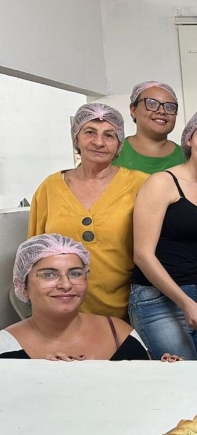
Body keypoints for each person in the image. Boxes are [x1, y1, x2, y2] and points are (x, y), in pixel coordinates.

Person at [129, 105, 197, 361]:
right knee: (182, 382)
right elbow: (142, 255)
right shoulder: (162, 183)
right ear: (189, 138)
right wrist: (184, 302)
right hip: (155, 299)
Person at [29, 103, 147, 319]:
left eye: (109, 135)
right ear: (76, 138)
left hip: (129, 310)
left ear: (119, 143)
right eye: (90, 132)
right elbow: (34, 255)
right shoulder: (50, 187)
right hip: (63, 311)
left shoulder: (141, 184)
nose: (99, 142)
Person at [2, 234, 180, 362]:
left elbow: (145, 393)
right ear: (22, 286)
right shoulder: (6, 347)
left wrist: (165, 374)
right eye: (48, 275)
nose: (65, 285)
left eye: (75, 273)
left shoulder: (119, 333)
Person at [113, 81, 186, 174]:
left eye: (169, 107)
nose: (162, 111)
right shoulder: (115, 152)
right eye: (151, 103)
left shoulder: (188, 157)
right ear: (134, 110)